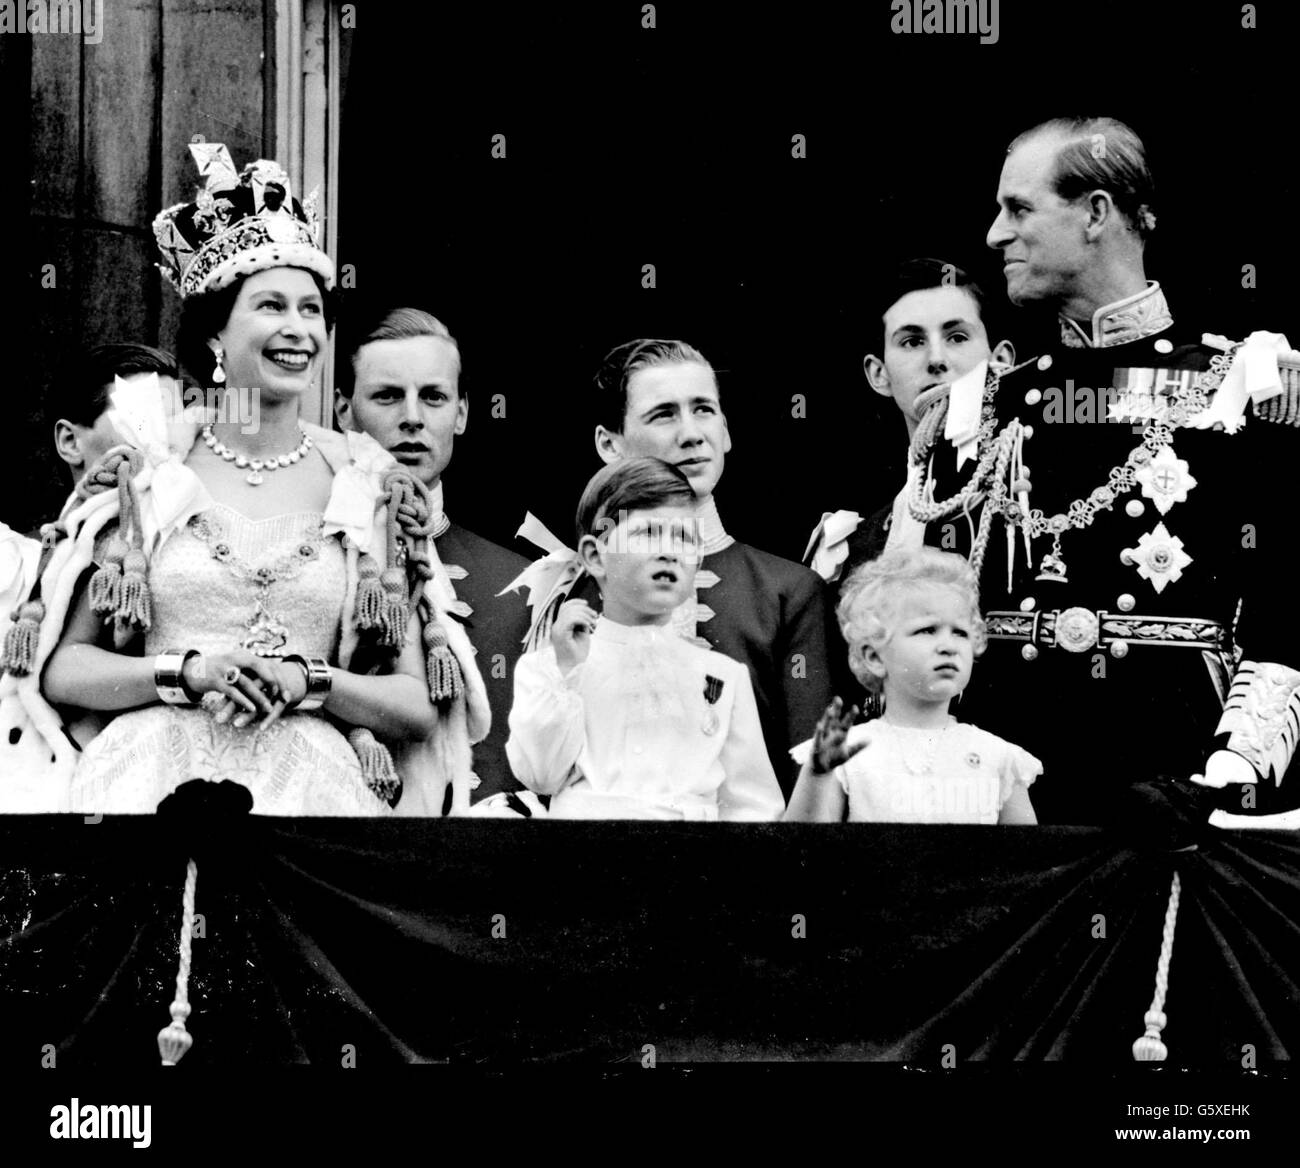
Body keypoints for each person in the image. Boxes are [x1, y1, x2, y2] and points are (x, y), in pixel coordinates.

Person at [4, 142, 487, 816]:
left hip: (312, 802)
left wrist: (307, 680)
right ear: (214, 340)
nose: (299, 329)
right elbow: (63, 669)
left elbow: (414, 705)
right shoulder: (150, 478)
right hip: (145, 791)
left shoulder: (366, 487)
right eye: (271, 306)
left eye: (311, 309)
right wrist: (187, 673)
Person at [911, 115, 1300, 826]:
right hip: (1003, 807)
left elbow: (1290, 611)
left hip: (1175, 798)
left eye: (1019, 208)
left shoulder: (1238, 387)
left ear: (1096, 214)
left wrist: (1231, 774)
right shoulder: (977, 409)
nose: (996, 234)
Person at [511, 338, 835, 797]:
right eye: (664, 414)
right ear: (609, 443)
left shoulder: (787, 589)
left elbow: (808, 772)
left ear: (725, 429)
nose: (691, 433)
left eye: (703, 410)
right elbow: (541, 770)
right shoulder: (569, 594)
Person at [507, 457, 784, 820]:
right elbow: (540, 776)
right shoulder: (548, 669)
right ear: (595, 556)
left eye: (684, 538)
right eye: (648, 533)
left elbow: (753, 806)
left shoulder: (722, 676)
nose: (669, 550)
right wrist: (566, 674)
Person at [336, 308, 532, 812]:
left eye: (433, 397)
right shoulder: (317, 557)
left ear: (462, 414)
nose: (412, 417)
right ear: (342, 410)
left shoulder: (520, 582)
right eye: (386, 396)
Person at [785, 547, 1039, 824]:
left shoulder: (1000, 758)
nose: (948, 646)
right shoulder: (847, 752)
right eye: (927, 630)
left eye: (960, 633)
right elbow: (802, 849)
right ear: (874, 656)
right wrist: (817, 775)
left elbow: (1031, 862)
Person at [804, 259, 1014, 587]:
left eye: (957, 337)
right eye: (912, 342)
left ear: (1001, 360)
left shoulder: (1039, 499)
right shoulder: (854, 547)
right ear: (879, 375)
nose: (936, 360)